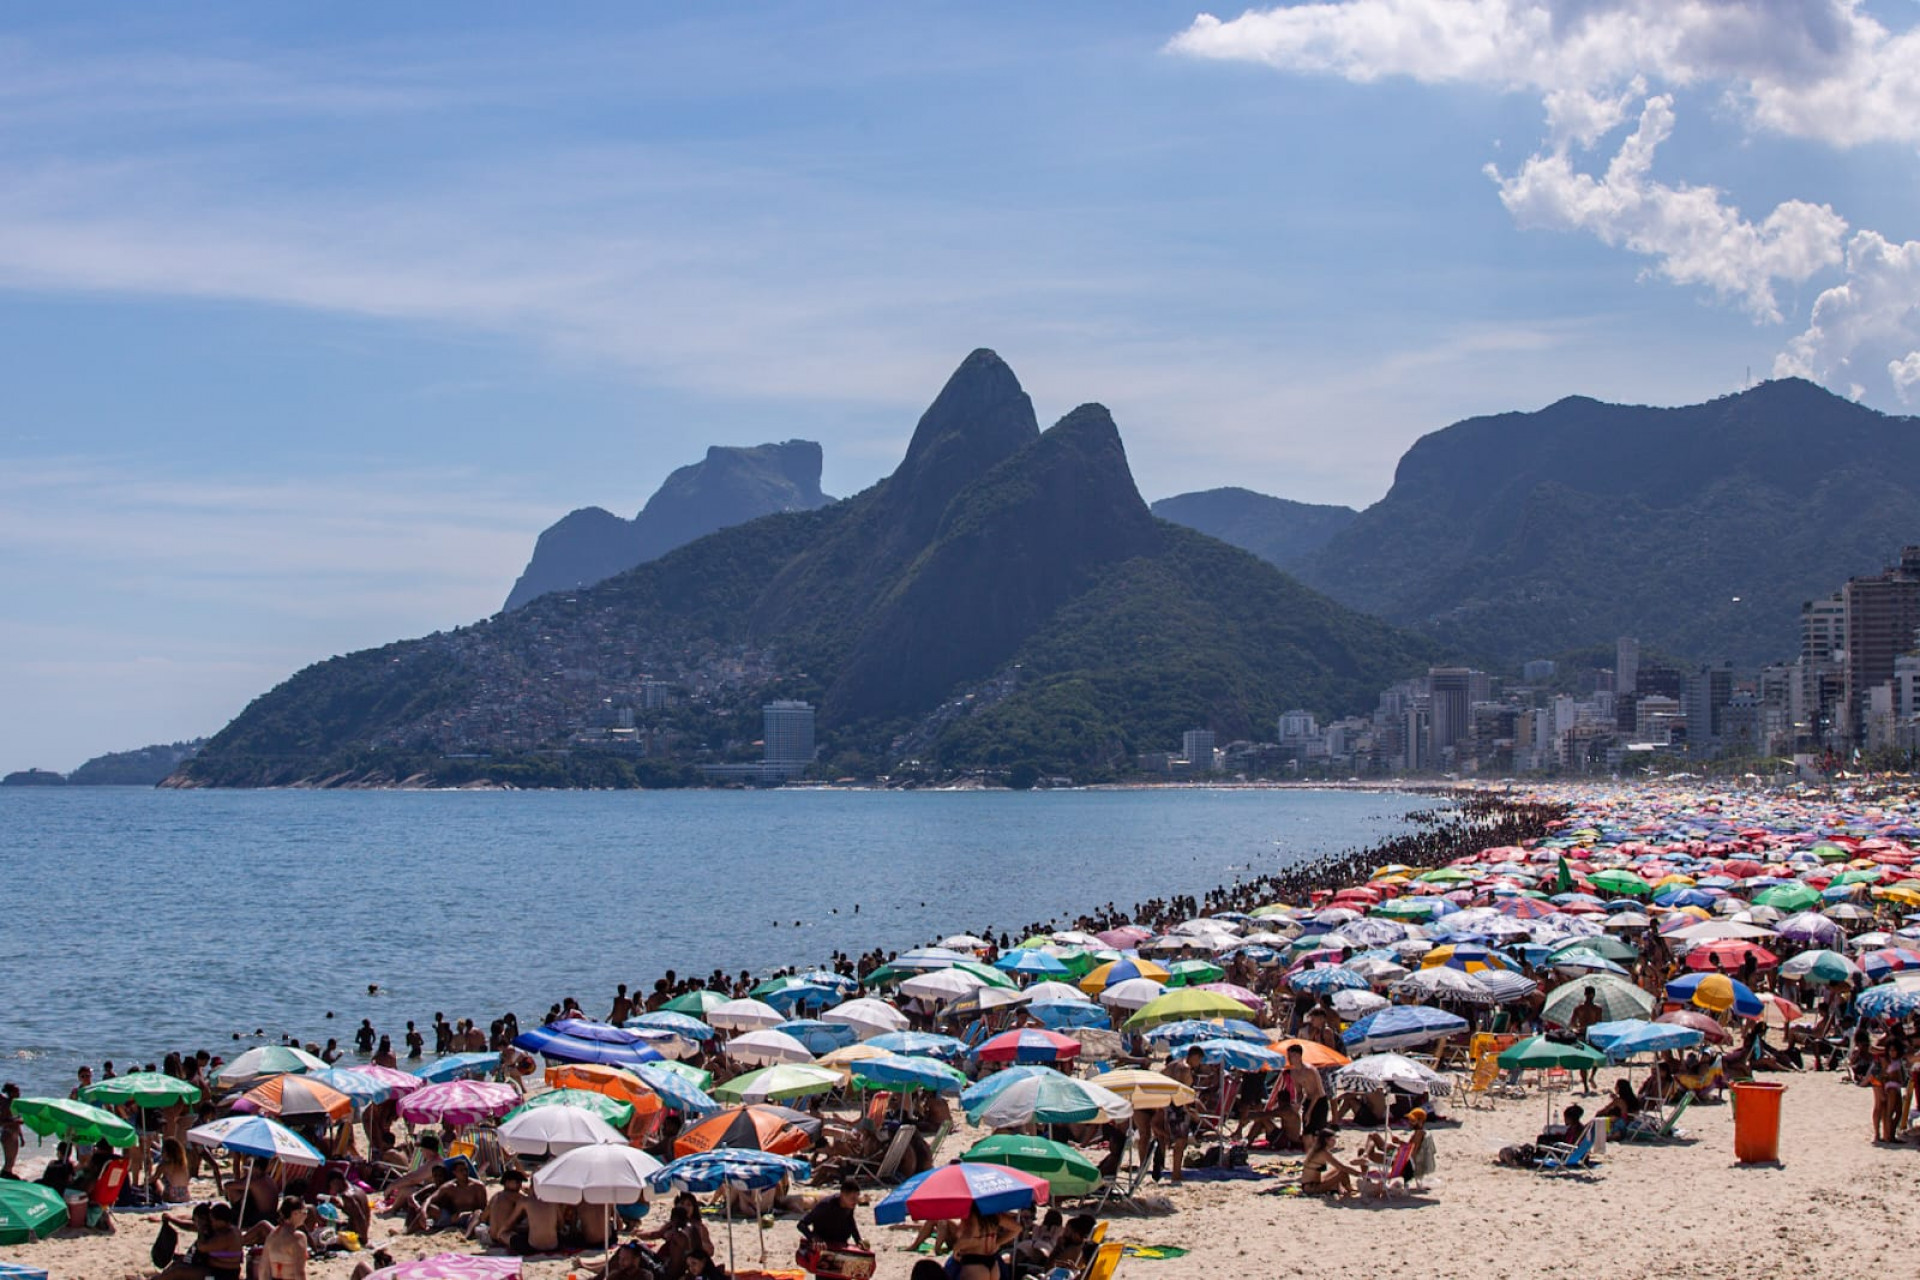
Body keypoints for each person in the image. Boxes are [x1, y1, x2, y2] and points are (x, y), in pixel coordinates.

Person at [797, 1178, 864, 1250]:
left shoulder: (850, 1204)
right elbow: (801, 1224)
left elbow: (850, 1220)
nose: (856, 1201)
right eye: (853, 1198)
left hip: (840, 1243)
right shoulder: (826, 1205)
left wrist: (858, 1240)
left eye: (857, 1197)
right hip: (823, 1243)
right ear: (842, 1195)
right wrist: (813, 1237)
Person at [471, 1167, 529, 1248]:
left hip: (491, 1238)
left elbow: (483, 1217)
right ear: (507, 1182)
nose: (520, 1185)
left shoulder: (496, 1196)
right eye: (517, 1182)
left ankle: (468, 1235)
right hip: (505, 1237)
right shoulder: (517, 1197)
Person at [1299, 1127, 1358, 1196]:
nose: (1335, 1142)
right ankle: (1349, 1190)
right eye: (1332, 1140)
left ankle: (1347, 1188)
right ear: (1326, 1140)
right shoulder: (1323, 1153)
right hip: (1312, 1187)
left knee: (1336, 1170)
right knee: (1342, 1172)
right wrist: (1359, 1174)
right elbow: (1342, 1167)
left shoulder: (1316, 1149)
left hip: (1310, 1184)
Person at [261, 1198, 310, 1280]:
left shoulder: (272, 1235)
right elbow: (299, 1272)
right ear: (295, 1213)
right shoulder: (298, 1237)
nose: (306, 1216)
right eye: (304, 1212)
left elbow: (264, 1268)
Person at [1, 1082, 21, 1178]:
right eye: (17, 1091)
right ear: (11, 1093)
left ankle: (8, 1174)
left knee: (12, 1160)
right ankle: (4, 1176)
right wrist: (15, 1122)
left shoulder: (15, 1104)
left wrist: (21, 1137)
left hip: (14, 1134)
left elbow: (17, 1121)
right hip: (8, 1134)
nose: (19, 1093)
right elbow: (1, 1122)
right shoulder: (6, 1104)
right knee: (9, 1160)